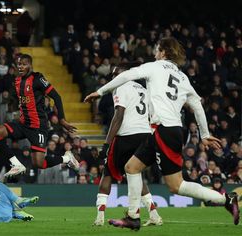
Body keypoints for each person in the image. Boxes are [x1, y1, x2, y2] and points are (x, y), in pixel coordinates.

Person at [84, 37, 239, 230]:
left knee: (176, 186)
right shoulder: (183, 77)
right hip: (166, 130)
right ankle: (133, 217)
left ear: (164, 52)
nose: (155, 53)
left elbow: (125, 76)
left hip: (164, 130)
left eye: (157, 50)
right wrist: (205, 134)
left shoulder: (154, 67)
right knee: (131, 167)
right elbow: (197, 105)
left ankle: (225, 199)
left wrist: (100, 92)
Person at [93, 62, 162, 227]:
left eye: (116, 74)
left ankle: (100, 217)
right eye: (112, 75)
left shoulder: (121, 87)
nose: (113, 77)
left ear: (126, 74)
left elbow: (119, 115)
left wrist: (106, 144)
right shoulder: (143, 90)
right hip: (145, 136)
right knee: (135, 174)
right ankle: (154, 215)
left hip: (127, 136)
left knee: (108, 171)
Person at [0, 54, 79, 177]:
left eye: (24, 64)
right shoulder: (16, 81)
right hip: (22, 124)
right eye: (19, 64)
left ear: (30, 65)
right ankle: (16, 165)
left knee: (39, 163)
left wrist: (62, 120)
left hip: (38, 127)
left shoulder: (38, 79)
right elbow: (20, 100)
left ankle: (66, 158)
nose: (20, 67)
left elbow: (57, 97)